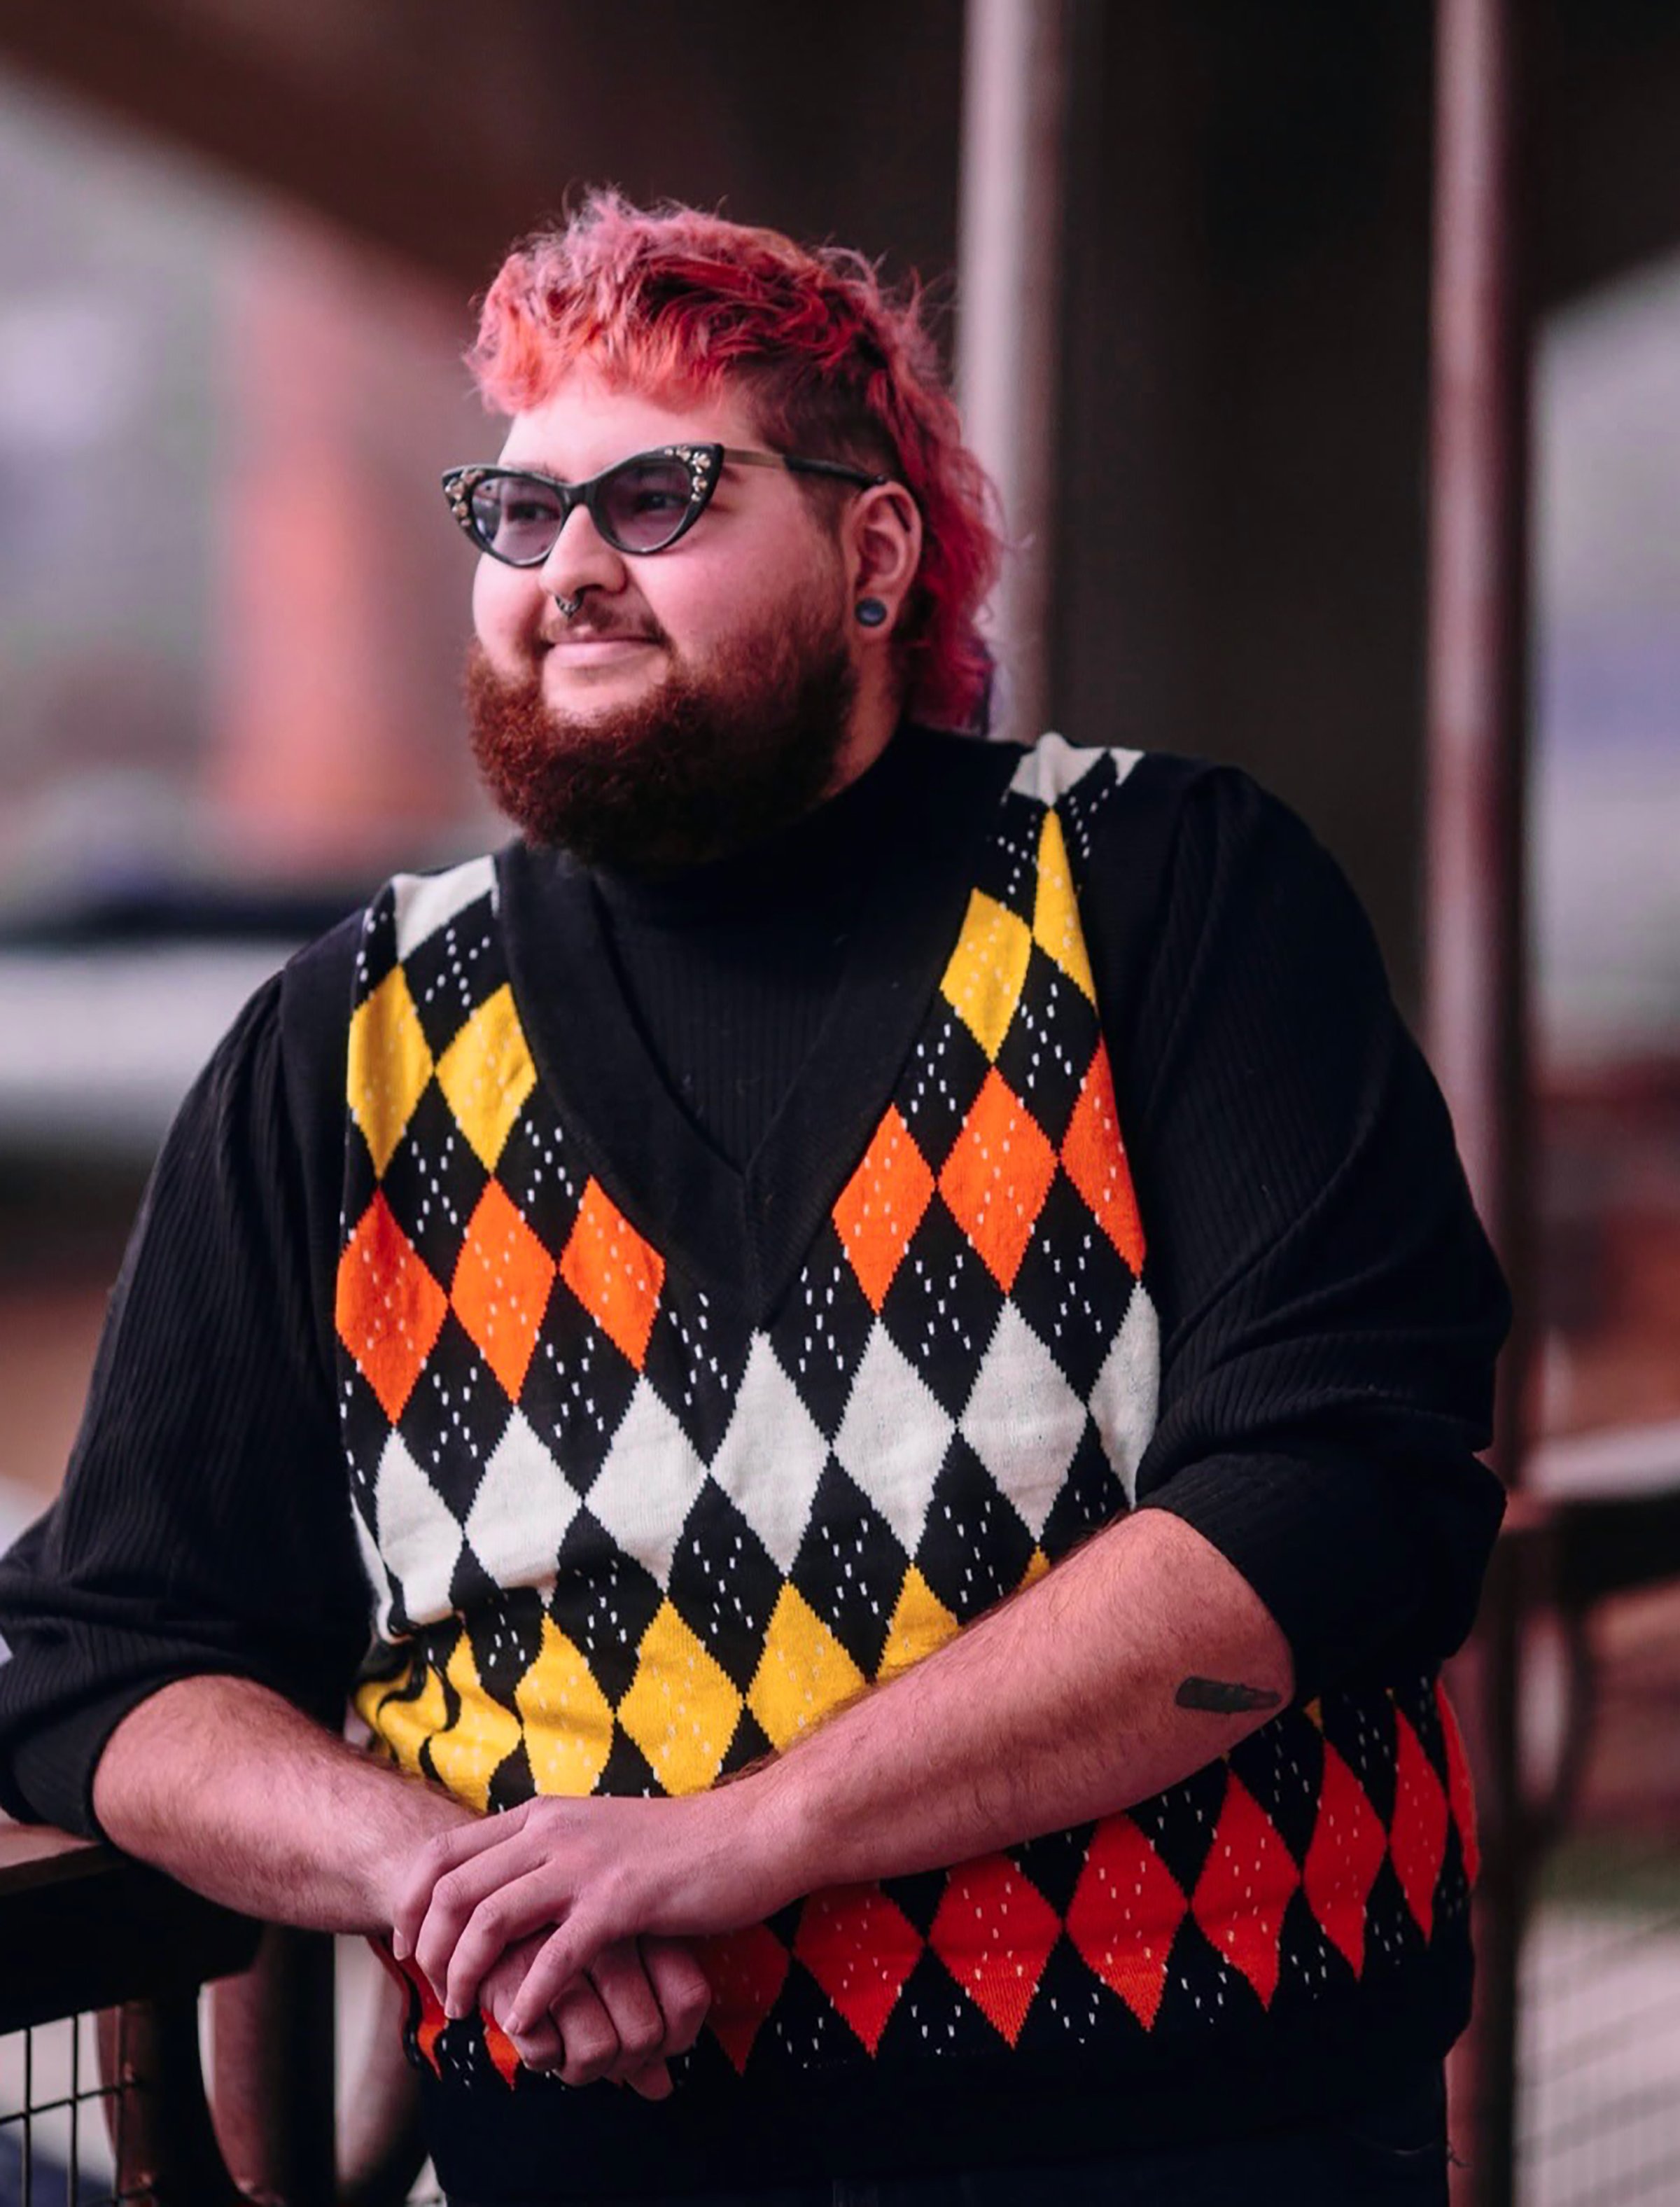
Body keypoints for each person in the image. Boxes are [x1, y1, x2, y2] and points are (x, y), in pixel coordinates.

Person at [0, 193, 1508, 2206]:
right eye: (520, 512)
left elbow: (1344, 1492)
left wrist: (747, 1838)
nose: (573, 571)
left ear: (874, 553)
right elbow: (100, 1650)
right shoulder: (343, 1045)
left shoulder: (1167, 892)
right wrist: (451, 1880)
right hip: (596, 2160)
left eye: (662, 496)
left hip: (1199, 2140)